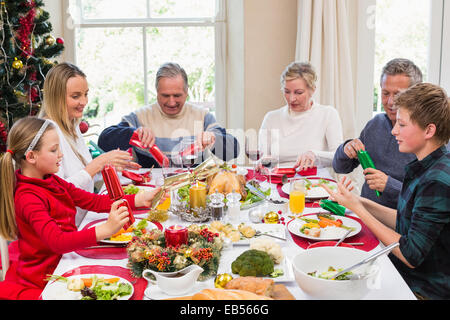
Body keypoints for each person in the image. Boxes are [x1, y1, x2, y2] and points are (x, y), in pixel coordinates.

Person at [0, 117, 162, 296]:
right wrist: (105, 230)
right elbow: (57, 242)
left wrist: (138, 200)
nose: (60, 154)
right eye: (54, 150)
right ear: (31, 156)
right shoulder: (28, 197)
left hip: (66, 259)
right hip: (46, 277)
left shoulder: (51, 180)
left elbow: (92, 201)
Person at [323, 83, 450, 300]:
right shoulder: (425, 166)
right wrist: (357, 202)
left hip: (421, 290)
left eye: (402, 124)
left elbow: (410, 254)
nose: (394, 131)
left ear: (429, 130)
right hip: (404, 275)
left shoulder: (437, 180)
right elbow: (406, 219)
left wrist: (359, 210)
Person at [39, 62, 140, 226]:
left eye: (86, 94)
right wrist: (98, 163)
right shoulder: (47, 132)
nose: (84, 101)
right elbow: (57, 193)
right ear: (56, 97)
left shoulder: (72, 125)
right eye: (75, 96)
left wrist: (113, 165)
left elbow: (84, 174)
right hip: (64, 230)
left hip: (81, 219)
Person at [98, 62, 239, 168]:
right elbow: (104, 141)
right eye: (165, 96)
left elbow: (233, 151)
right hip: (149, 193)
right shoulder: (139, 117)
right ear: (156, 91)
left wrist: (214, 138)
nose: (171, 102)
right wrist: (134, 133)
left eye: (177, 95)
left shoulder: (202, 116)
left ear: (187, 91)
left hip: (193, 192)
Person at [332, 58, 422, 209]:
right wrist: (346, 149)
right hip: (365, 213)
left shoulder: (428, 138)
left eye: (398, 95)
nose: (390, 102)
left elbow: (427, 200)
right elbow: (340, 167)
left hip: (400, 223)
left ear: (415, 95)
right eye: (385, 93)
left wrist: (389, 186)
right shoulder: (376, 124)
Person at [258, 61, 343, 169]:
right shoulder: (271, 118)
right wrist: (262, 163)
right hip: (278, 180)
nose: (292, 99)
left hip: (314, 183)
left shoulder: (328, 114)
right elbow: (262, 158)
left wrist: (314, 154)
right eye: (287, 92)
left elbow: (339, 156)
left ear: (312, 90)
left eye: (298, 92)